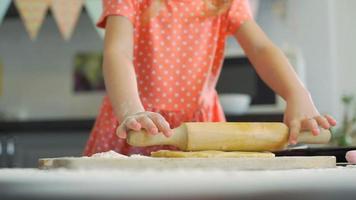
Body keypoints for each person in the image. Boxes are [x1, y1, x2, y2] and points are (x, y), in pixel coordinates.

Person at [84, 0, 337, 156]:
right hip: (136, 125)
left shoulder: (224, 1)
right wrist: (132, 111)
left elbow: (261, 49)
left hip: (203, 130)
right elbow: (117, 52)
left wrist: (297, 94)